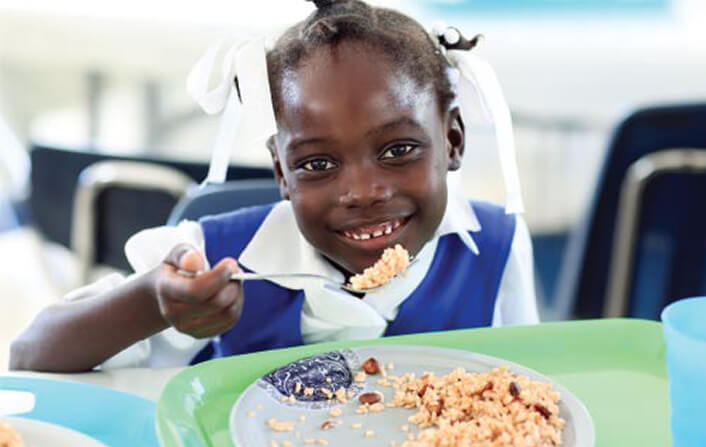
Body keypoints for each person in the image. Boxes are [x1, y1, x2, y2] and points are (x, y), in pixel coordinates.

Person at [10, 0, 538, 373]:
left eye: (398, 150)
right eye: (318, 164)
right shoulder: (213, 257)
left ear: (452, 141)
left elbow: (533, 388)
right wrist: (153, 302)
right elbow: (30, 354)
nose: (362, 191)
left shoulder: (495, 247)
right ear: (282, 174)